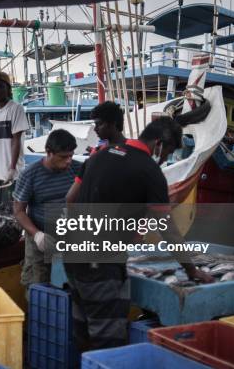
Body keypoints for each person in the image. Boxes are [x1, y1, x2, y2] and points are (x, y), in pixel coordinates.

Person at [64, 117, 213, 350]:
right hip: (101, 262)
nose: (165, 159)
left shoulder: (100, 154)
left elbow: (70, 200)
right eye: (168, 152)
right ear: (159, 143)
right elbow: (166, 228)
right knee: (107, 339)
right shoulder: (150, 171)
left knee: (83, 331)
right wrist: (191, 269)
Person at [13, 129, 81, 294]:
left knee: (71, 286)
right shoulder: (29, 175)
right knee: (38, 286)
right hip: (41, 239)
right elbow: (19, 210)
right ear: (49, 152)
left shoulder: (77, 169)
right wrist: (36, 234)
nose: (68, 161)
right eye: (64, 157)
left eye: (71, 155)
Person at [67, 101, 126, 203]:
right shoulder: (137, 151)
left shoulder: (97, 156)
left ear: (113, 123)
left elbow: (70, 198)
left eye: (99, 124)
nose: (95, 129)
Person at [0, 72, 29, 182]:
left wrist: (12, 168)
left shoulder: (16, 109)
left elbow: (16, 140)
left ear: (8, 89)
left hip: (10, 174)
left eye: (0, 86)